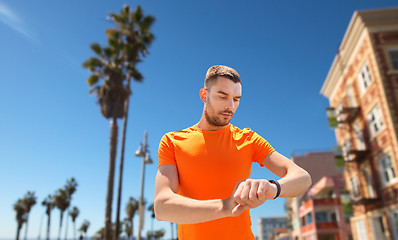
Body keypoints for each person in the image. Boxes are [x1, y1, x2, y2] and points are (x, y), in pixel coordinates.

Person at [154, 65, 311, 240]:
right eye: (223, 96)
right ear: (204, 95)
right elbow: (162, 207)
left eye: (237, 99)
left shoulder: (248, 139)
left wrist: (272, 189)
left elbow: (303, 179)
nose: (231, 106)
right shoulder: (172, 141)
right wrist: (226, 207)